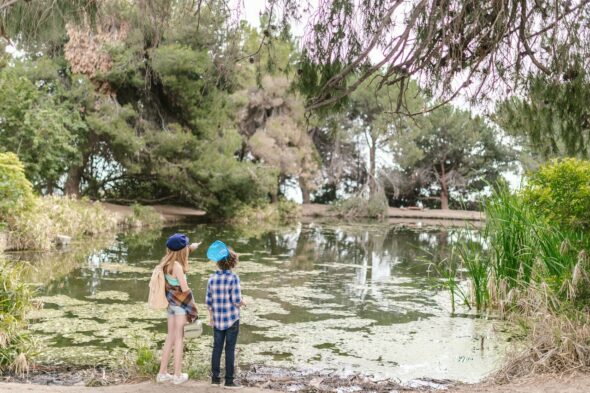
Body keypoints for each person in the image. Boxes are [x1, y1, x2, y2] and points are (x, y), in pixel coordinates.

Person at [156, 233, 199, 385]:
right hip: (180, 307)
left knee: (170, 337)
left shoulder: (166, 262)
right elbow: (185, 289)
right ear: (183, 251)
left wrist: (192, 248)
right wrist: (194, 308)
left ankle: (162, 373)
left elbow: (180, 252)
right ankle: (177, 375)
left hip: (171, 306)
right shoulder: (178, 267)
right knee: (179, 339)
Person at [206, 240, 246, 389]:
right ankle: (229, 381)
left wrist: (211, 318)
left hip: (217, 320)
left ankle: (215, 380)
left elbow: (208, 302)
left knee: (217, 348)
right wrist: (243, 301)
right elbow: (236, 301)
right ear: (232, 262)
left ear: (218, 263)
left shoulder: (212, 279)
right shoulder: (233, 278)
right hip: (231, 320)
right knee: (229, 349)